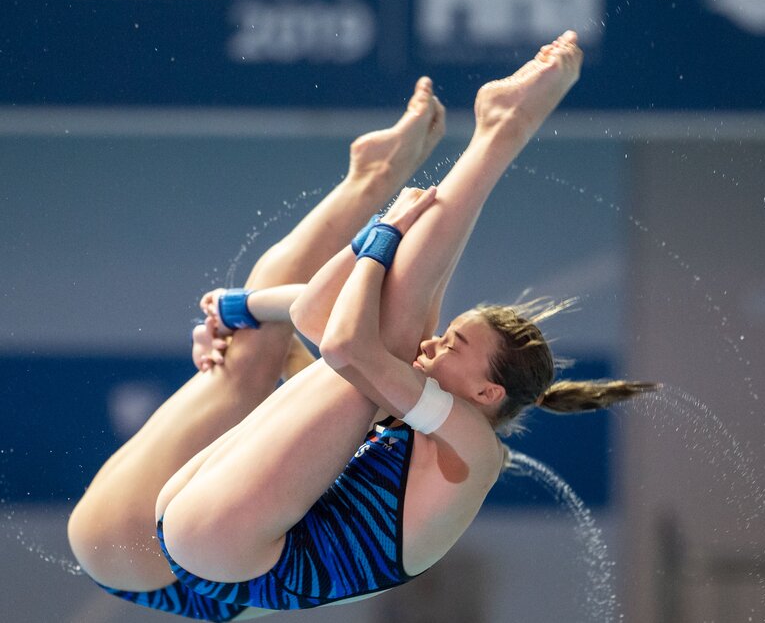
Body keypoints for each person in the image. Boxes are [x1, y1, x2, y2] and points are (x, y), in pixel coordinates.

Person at [71, 31, 656, 621]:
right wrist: (244, 308)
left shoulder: (471, 447)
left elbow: (348, 344)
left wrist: (382, 237)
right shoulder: (412, 406)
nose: (435, 342)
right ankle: (372, 176)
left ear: (487, 392)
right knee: (279, 352)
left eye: (453, 345)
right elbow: (317, 317)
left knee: (381, 341)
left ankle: (502, 130)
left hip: (182, 551)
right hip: (207, 548)